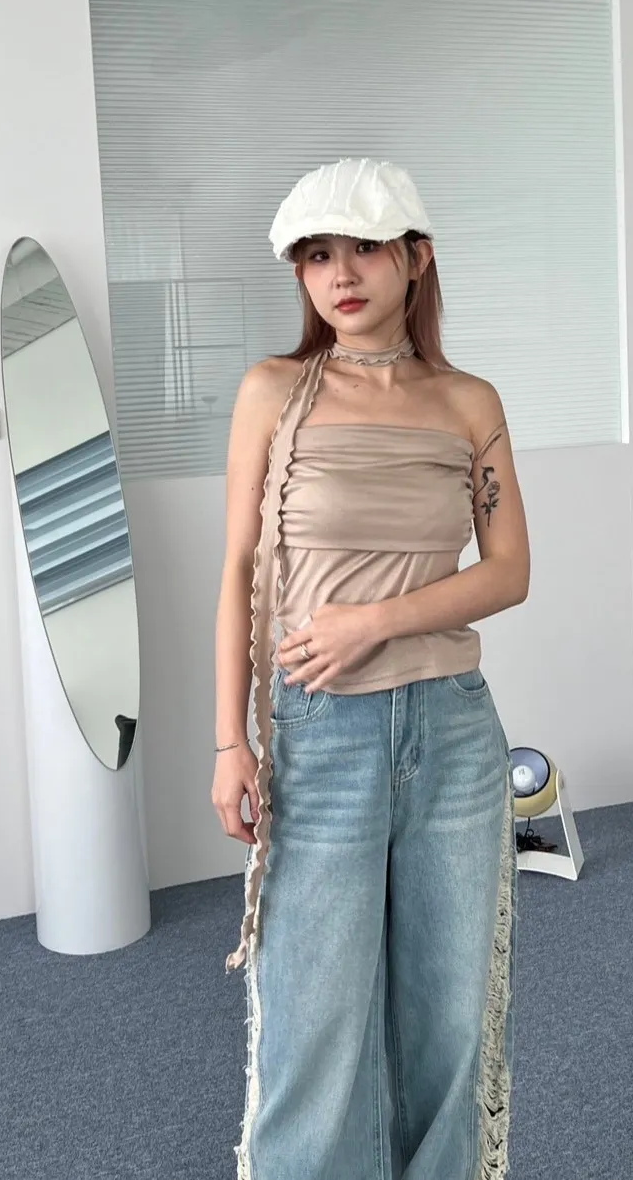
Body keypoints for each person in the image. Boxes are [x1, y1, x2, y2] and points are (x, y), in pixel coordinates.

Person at [211, 157, 530, 1180]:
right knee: (315, 1028)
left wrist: (376, 621)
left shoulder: (468, 401)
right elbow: (240, 569)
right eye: (316, 255)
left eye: (362, 248)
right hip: (322, 732)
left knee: (449, 1019)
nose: (339, 274)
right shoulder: (274, 391)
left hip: (452, 729)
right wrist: (230, 742)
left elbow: (510, 571)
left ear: (415, 257)